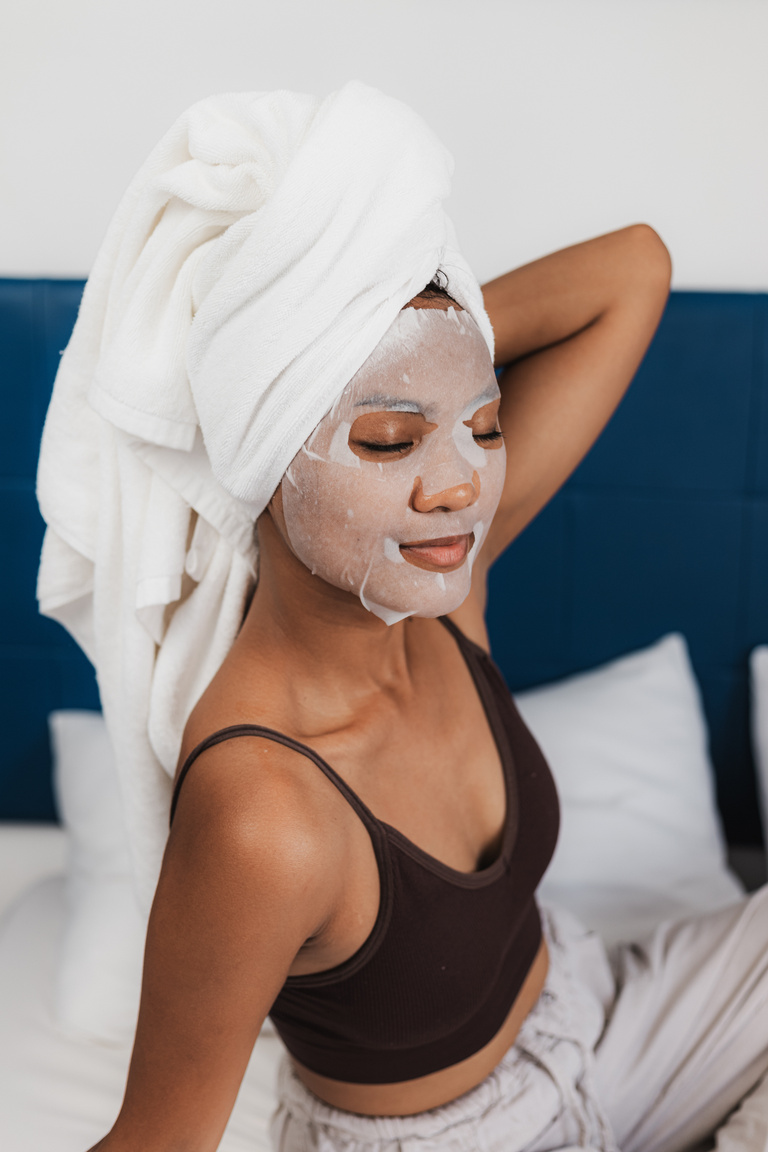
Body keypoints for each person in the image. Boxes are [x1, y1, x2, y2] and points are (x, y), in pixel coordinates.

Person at [44, 85, 766, 1152]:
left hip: (599, 1026)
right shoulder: (265, 812)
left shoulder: (439, 583)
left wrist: (390, 336)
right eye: (389, 440)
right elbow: (155, 1141)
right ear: (261, 454)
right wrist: (289, 376)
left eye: (482, 426)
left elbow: (635, 267)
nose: (460, 486)